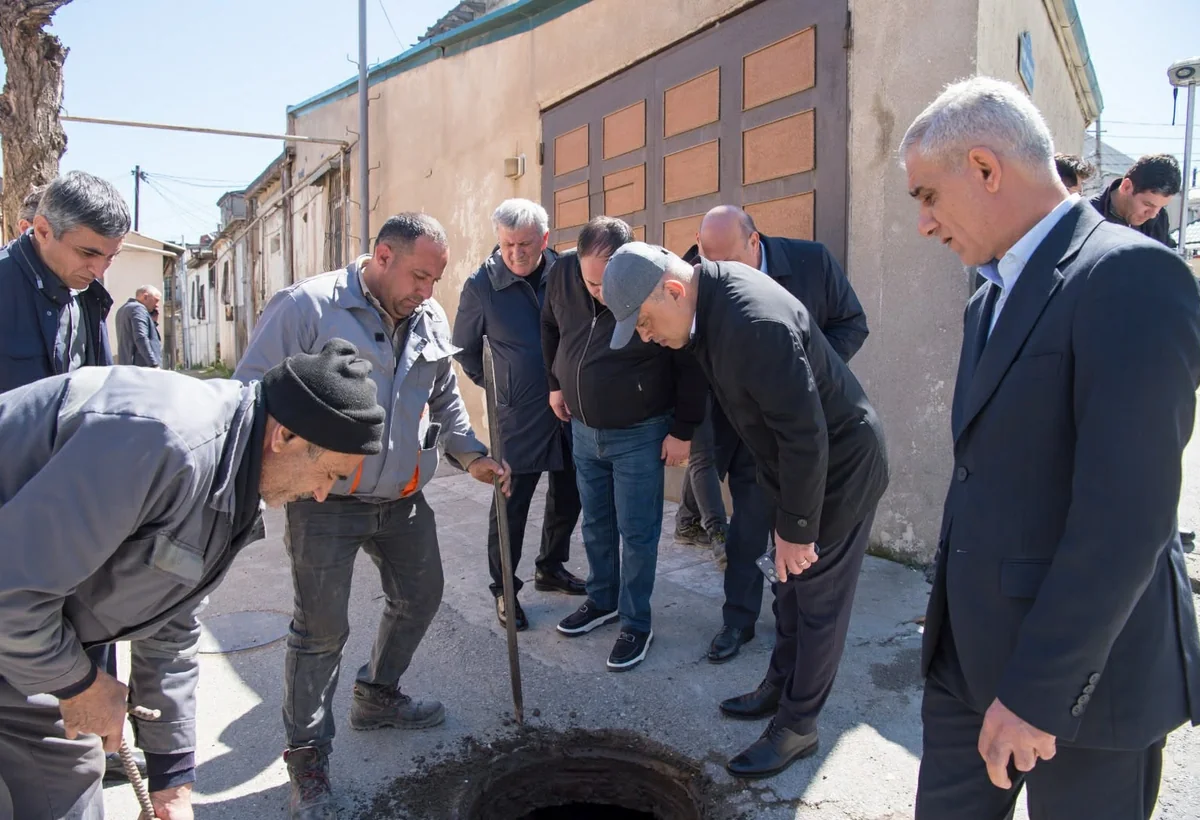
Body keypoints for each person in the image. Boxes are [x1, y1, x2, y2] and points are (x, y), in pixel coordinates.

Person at [900, 76, 1200, 820]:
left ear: (985, 167)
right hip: (966, 668)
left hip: (1083, 686)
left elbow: (1126, 520)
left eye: (927, 196)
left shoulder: (1129, 275)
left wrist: (1037, 692)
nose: (924, 224)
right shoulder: (987, 295)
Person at [0, 339, 386, 820]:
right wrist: (79, 684)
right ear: (284, 436)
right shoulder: (160, 444)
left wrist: (171, 780)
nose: (323, 494)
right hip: (19, 628)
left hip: (25, 640)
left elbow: (170, 620)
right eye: (328, 473)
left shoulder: (234, 472)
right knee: (65, 775)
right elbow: (12, 595)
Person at [234, 212, 511, 820]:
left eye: (435, 280)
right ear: (383, 256)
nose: (427, 291)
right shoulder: (306, 308)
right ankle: (308, 761)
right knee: (321, 631)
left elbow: (443, 398)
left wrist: (472, 456)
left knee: (422, 596)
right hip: (323, 500)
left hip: (403, 496)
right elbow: (249, 396)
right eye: (419, 276)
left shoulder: (427, 317)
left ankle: (378, 694)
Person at [601, 241, 888, 778]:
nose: (645, 336)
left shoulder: (753, 323)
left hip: (838, 469)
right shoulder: (712, 298)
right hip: (797, 467)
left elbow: (805, 434)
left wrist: (797, 529)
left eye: (643, 321)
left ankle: (797, 726)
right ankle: (778, 687)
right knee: (789, 589)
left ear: (673, 289)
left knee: (817, 602)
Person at [685, 205, 870, 663]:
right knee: (747, 530)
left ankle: (795, 626)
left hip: (805, 428)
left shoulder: (812, 262)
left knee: (800, 533)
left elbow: (852, 323)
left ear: (755, 242)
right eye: (710, 261)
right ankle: (738, 620)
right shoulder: (696, 273)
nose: (718, 273)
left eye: (729, 260)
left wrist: (806, 375)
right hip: (748, 430)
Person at [541, 216, 706, 672]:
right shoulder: (563, 273)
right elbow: (549, 325)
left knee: (637, 531)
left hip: (639, 432)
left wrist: (684, 429)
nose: (598, 292)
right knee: (596, 523)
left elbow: (689, 361)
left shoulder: (647, 283)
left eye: (604, 283)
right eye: (590, 282)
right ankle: (603, 600)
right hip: (582, 428)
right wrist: (555, 383)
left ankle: (636, 621)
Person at [453, 199, 585, 631]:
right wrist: (502, 388)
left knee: (569, 494)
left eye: (525, 244)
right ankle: (504, 589)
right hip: (518, 415)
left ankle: (551, 566)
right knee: (510, 505)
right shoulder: (482, 285)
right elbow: (465, 350)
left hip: (569, 408)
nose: (515, 253)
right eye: (507, 244)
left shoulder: (566, 272)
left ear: (544, 239)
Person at [0, 171, 125, 394]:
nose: (98, 271)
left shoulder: (89, 294)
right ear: (43, 231)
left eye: (111, 257)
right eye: (87, 253)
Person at [1090, 152, 1182, 248]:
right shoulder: (1089, 215)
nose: (1152, 215)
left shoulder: (1160, 218)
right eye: (1148, 204)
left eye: (1161, 207)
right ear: (1126, 187)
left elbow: (1168, 250)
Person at [115, 285, 164, 368]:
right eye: (156, 300)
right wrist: (153, 364)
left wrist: (153, 322)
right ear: (145, 297)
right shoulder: (138, 309)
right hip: (142, 367)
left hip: (129, 365)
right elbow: (141, 338)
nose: (157, 305)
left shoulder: (123, 309)